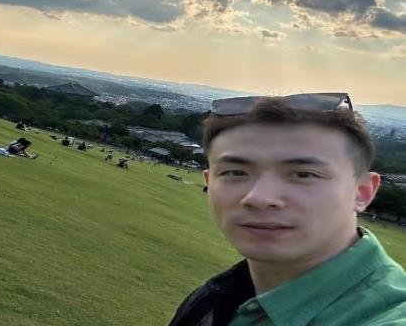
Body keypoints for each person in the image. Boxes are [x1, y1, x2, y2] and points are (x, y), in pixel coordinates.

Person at [168, 93, 406, 326]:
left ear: (362, 192)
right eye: (235, 172)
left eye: (303, 174)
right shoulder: (214, 299)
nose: (259, 198)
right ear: (209, 183)